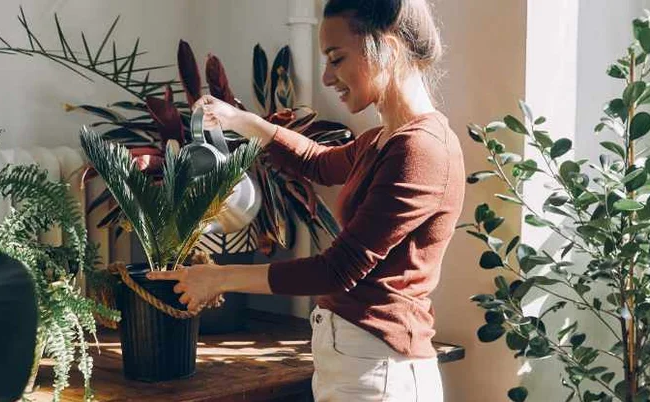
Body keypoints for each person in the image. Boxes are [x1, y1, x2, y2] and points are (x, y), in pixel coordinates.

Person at [147, 0, 464, 400]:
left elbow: (338, 269)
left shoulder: (419, 150)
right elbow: (317, 163)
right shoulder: (384, 141)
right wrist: (240, 120)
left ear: (388, 49)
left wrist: (218, 277)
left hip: (381, 368)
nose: (327, 77)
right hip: (360, 363)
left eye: (337, 58)